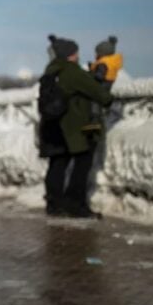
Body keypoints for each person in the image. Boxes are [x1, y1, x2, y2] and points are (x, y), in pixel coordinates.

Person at [40, 35, 113, 218]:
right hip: (79, 126)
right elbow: (102, 96)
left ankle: (54, 204)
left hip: (54, 126)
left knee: (57, 163)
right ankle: (75, 204)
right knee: (84, 161)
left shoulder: (51, 71)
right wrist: (102, 83)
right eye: (76, 52)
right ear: (70, 55)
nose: (78, 55)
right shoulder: (72, 71)